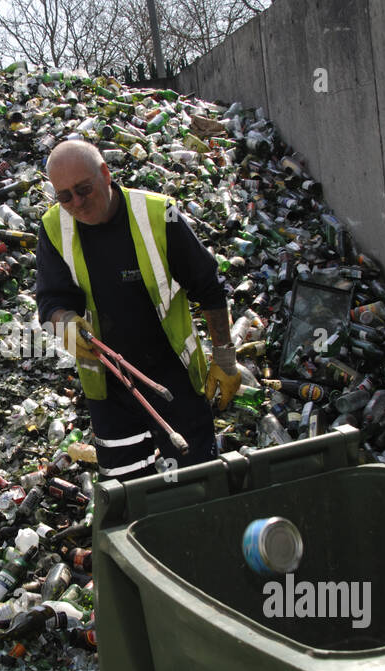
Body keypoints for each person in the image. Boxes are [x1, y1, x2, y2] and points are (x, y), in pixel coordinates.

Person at [35, 138, 244, 481]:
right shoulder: (54, 227)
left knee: (197, 481)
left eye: (84, 189)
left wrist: (224, 357)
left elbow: (208, 286)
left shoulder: (159, 215)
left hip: (173, 378)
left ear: (105, 173)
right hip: (109, 389)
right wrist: (66, 323)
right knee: (127, 488)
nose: (77, 203)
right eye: (65, 196)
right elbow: (50, 301)